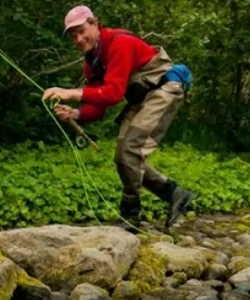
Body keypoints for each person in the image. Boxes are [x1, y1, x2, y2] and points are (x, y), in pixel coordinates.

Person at [42, 5, 196, 231]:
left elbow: (113, 94)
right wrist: (76, 113)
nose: (78, 38)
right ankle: (176, 194)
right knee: (123, 156)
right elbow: (98, 107)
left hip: (166, 88)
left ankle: (130, 215)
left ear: (95, 23)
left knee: (130, 149)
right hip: (141, 96)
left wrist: (71, 92)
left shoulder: (118, 43)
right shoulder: (91, 63)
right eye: (73, 35)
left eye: (82, 30)